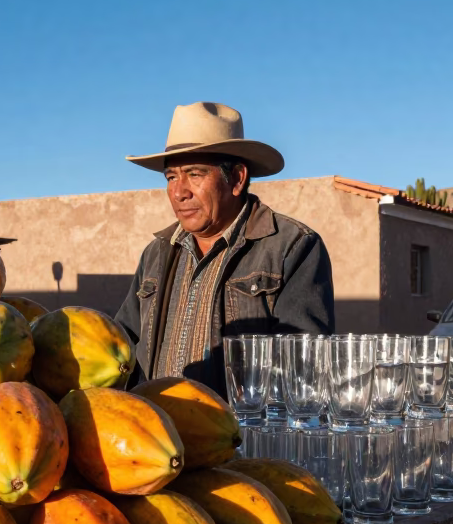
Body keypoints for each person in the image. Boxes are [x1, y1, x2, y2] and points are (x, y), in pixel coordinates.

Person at [115, 101, 335, 396]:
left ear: (236, 178)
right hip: (156, 434)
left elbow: (302, 370)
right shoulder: (156, 253)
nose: (179, 192)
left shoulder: (293, 248)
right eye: (171, 177)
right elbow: (122, 346)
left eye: (195, 174)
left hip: (240, 439)